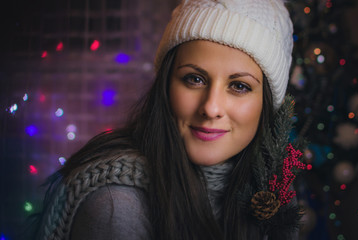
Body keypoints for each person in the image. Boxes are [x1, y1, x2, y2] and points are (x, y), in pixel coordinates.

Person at [31, 0, 306, 239]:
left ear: (266, 104)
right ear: (166, 86)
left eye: (239, 86)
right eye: (194, 79)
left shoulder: (273, 186)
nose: (211, 108)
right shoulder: (117, 204)